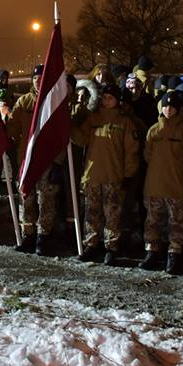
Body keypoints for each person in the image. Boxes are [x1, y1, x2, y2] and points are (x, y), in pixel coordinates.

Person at [72, 83, 139, 265]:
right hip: (92, 175)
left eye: (110, 97)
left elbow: (131, 151)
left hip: (113, 176)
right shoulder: (93, 119)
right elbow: (82, 139)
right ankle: (91, 244)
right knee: (92, 212)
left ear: (117, 100)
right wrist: (70, 128)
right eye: (104, 97)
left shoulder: (124, 122)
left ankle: (111, 247)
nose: (106, 100)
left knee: (112, 214)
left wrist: (128, 174)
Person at [139, 91, 183, 273]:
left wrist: (181, 174)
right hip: (155, 185)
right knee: (153, 221)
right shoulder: (154, 130)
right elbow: (147, 155)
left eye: (171, 107)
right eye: (165, 106)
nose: (168, 110)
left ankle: (174, 254)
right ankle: (152, 251)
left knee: (177, 222)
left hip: (177, 187)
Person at [7, 65, 63, 256]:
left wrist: (58, 162)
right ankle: (28, 235)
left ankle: (43, 236)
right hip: (26, 160)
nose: (38, 80)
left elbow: (61, 136)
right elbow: (13, 127)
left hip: (47, 159)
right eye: (35, 77)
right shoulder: (24, 101)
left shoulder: (53, 102)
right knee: (26, 199)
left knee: (46, 200)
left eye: (42, 77)